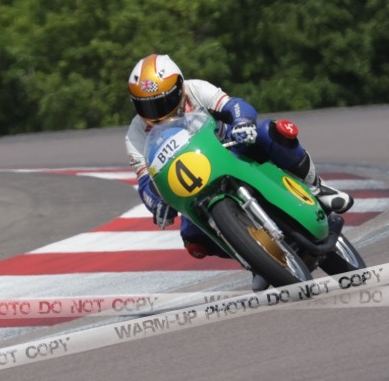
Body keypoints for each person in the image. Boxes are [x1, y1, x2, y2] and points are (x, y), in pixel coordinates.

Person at [124, 54, 353, 291]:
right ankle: (257, 260)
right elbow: (145, 182)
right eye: (146, 106)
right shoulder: (135, 134)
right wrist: (157, 204)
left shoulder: (195, 89)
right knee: (194, 242)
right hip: (193, 183)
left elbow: (233, 105)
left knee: (270, 131)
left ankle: (316, 186)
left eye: (163, 102)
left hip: (232, 147)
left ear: (179, 88)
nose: (157, 113)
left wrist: (242, 121)